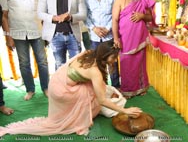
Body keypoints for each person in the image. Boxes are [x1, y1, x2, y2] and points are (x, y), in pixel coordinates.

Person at [0, 41, 142, 136]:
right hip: (62, 91)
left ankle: (82, 109)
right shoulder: (95, 71)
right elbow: (102, 100)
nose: (115, 60)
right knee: (94, 94)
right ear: (105, 56)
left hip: (56, 81)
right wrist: (125, 110)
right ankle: (79, 118)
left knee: (99, 89)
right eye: (114, 57)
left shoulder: (89, 53)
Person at [0, 0, 49, 100]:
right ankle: (30, 89)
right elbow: (4, 16)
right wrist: (8, 37)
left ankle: (46, 88)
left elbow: (42, 12)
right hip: (17, 33)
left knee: (43, 62)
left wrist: (46, 33)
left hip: (36, 31)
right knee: (24, 63)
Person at [112, 0, 156, 98]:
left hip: (139, 38)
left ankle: (141, 88)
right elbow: (114, 20)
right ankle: (127, 90)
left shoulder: (143, 0)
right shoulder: (120, 0)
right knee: (126, 65)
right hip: (125, 39)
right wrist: (116, 38)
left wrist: (142, 16)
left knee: (140, 65)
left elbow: (150, 17)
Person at [37, 0, 87, 70]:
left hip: (73, 35)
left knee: (76, 67)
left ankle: (76, 87)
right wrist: (55, 18)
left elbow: (83, 14)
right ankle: (60, 86)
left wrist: (71, 17)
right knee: (60, 67)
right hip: (55, 36)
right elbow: (40, 13)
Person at [84, 0, 120, 88]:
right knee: (97, 64)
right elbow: (85, 16)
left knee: (112, 63)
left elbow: (116, 14)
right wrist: (94, 28)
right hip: (94, 37)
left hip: (109, 36)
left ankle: (115, 88)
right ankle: (101, 88)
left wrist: (108, 28)